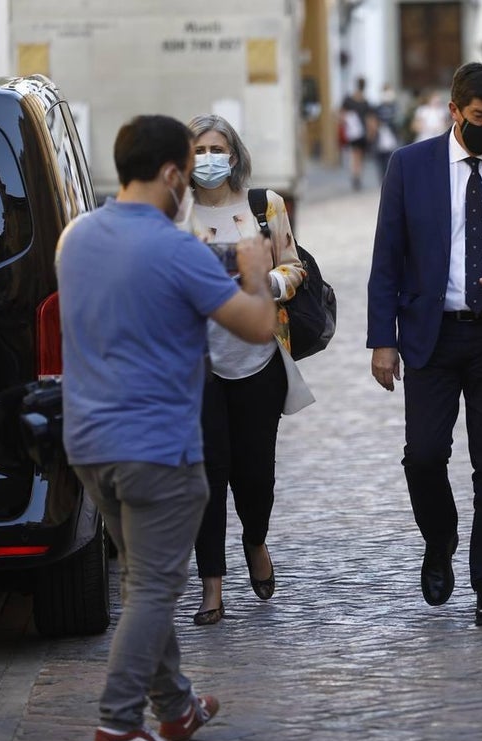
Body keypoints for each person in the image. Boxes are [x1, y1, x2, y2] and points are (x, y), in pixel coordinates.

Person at [57, 114, 276, 741]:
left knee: (141, 579)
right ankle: (119, 724)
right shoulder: (175, 249)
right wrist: (255, 270)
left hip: (89, 441)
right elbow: (258, 326)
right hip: (157, 447)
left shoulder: (77, 236)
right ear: (174, 173)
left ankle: (176, 706)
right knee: (153, 589)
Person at [366, 63, 482, 626]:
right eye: (479, 116)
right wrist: (382, 340)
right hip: (431, 333)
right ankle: (440, 538)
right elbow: (387, 257)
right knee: (424, 456)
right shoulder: (410, 165)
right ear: (454, 110)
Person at [184, 114, 312, 627]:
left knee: (255, 475)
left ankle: (255, 540)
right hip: (197, 366)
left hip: (258, 358)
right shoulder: (173, 213)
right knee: (207, 475)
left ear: (233, 155)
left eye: (216, 149)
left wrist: (266, 283)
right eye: (198, 150)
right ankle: (211, 586)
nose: (208, 159)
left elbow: (294, 267)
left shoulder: (264, 206)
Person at [341, 77, 373, 190]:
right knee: (359, 155)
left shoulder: (349, 100)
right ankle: (357, 176)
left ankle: (356, 175)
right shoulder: (365, 102)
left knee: (355, 155)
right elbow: (369, 119)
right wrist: (370, 133)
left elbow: (341, 114)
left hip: (353, 132)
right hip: (361, 132)